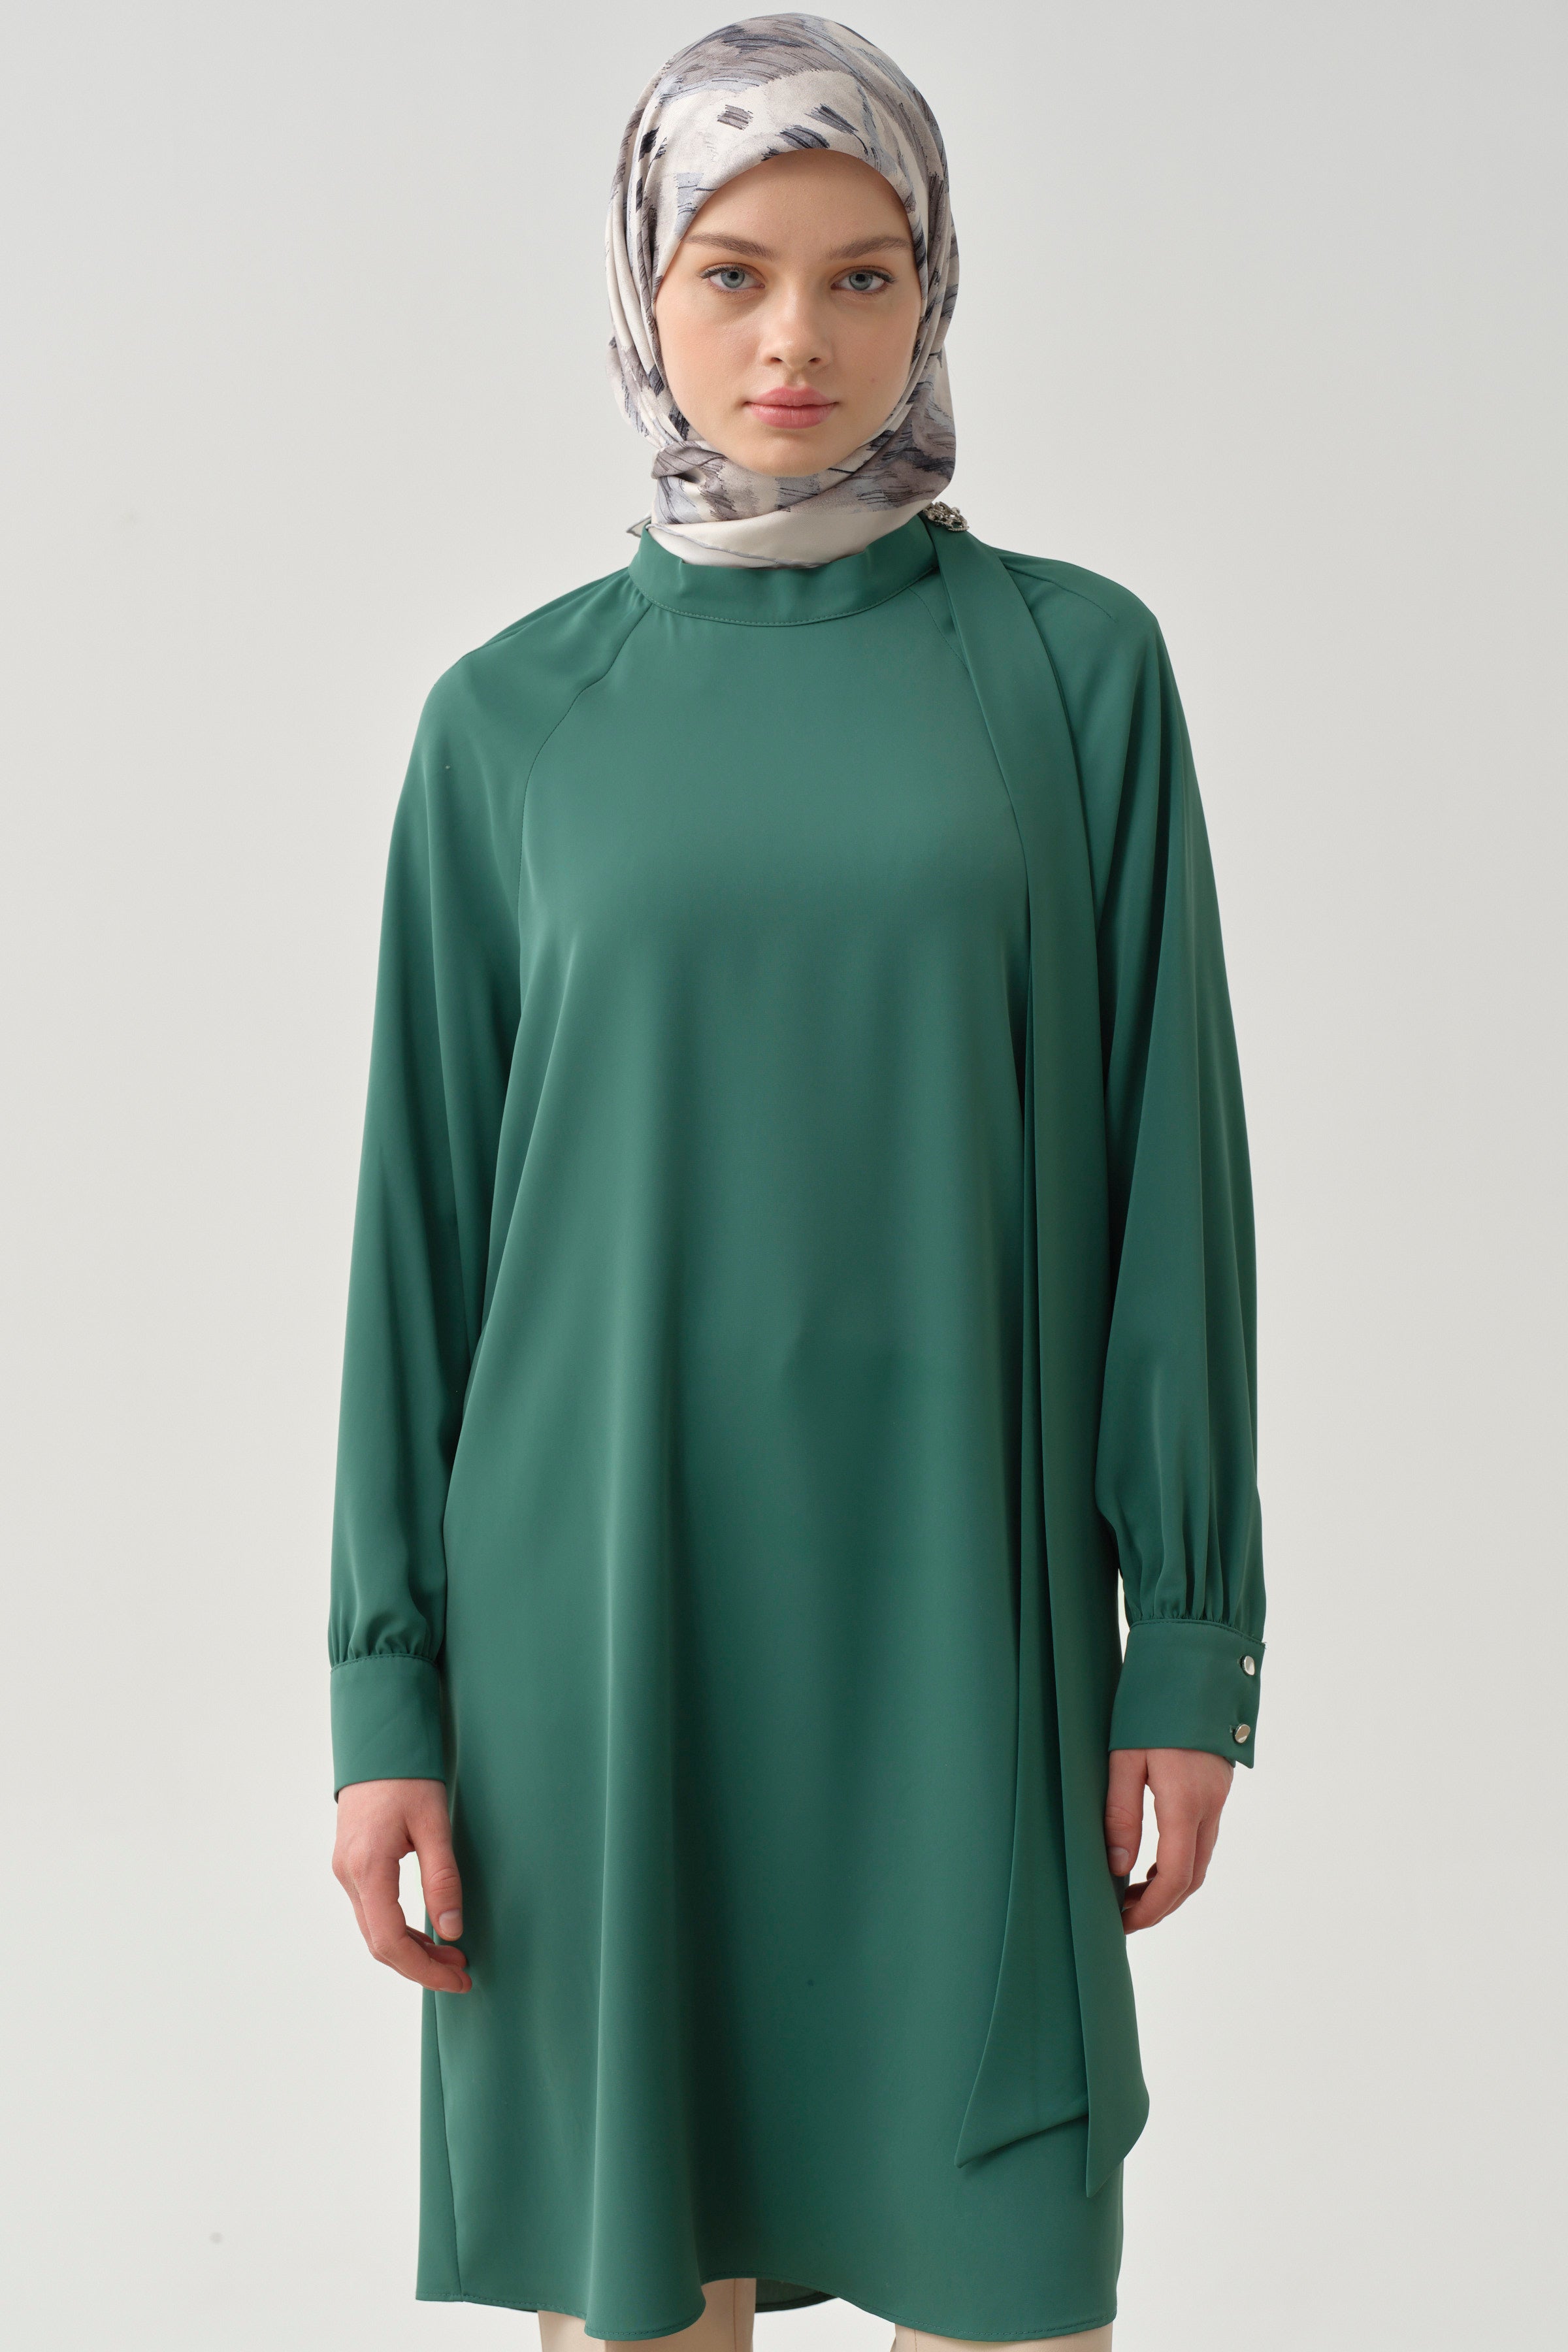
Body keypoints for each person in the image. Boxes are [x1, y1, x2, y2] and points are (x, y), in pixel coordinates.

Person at [328, 17, 1266, 2351]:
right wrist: (385, 1696)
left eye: (865, 276)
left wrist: (1193, 1638)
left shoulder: (1073, 672)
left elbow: (1175, 1172)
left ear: (935, 293)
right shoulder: (507, 723)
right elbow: (420, 1242)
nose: (795, 341)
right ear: (640, 289)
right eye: (732, 272)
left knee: (1012, 2273)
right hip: (602, 1632)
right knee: (651, 2297)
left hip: (967, 1611)